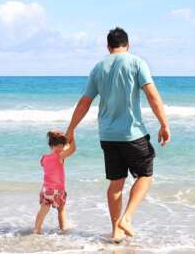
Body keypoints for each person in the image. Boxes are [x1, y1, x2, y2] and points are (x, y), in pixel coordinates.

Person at [65, 27, 171, 243]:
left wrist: (71, 129)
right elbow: (152, 95)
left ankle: (116, 231)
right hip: (132, 134)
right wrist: (164, 124)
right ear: (128, 45)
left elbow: (85, 102)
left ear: (108, 46)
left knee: (116, 183)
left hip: (107, 135)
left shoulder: (98, 68)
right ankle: (127, 218)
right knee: (145, 175)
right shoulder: (136, 62)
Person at [33, 130, 77, 234]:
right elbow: (73, 149)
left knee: (43, 211)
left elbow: (45, 164)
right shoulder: (60, 156)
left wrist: (63, 141)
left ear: (50, 145)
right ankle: (63, 229)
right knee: (61, 210)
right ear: (62, 146)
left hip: (46, 190)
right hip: (57, 191)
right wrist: (72, 135)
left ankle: (36, 230)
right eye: (62, 146)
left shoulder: (44, 158)